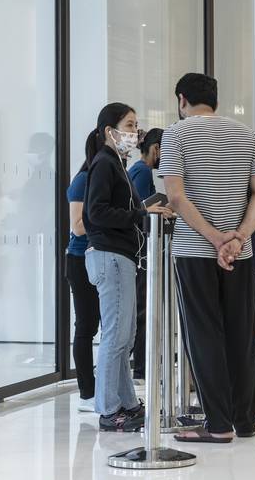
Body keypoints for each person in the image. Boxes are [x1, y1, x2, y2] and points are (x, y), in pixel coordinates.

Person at [160, 73, 255, 443]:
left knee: (203, 332)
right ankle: (244, 420)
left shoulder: (176, 134)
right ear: (216, 100)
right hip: (240, 253)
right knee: (241, 334)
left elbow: (174, 196)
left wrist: (213, 238)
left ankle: (218, 424)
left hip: (195, 250)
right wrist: (238, 237)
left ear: (181, 100)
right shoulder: (247, 134)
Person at [83, 102, 173, 432]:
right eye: (130, 125)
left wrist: (147, 210)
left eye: (136, 126)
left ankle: (127, 403)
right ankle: (108, 409)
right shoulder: (105, 163)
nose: (135, 133)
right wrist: (140, 214)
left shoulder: (117, 164)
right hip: (110, 254)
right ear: (110, 131)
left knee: (124, 335)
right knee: (115, 335)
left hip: (120, 256)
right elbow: (96, 212)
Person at [66, 131, 101, 412]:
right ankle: (86, 393)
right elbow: (78, 226)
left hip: (100, 257)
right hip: (80, 260)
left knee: (101, 325)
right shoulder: (83, 180)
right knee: (86, 326)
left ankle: (98, 388)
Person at [127, 127, 163, 383]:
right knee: (143, 311)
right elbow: (140, 208)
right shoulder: (141, 172)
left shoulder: (140, 171)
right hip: (141, 253)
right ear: (156, 148)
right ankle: (141, 367)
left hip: (143, 252)